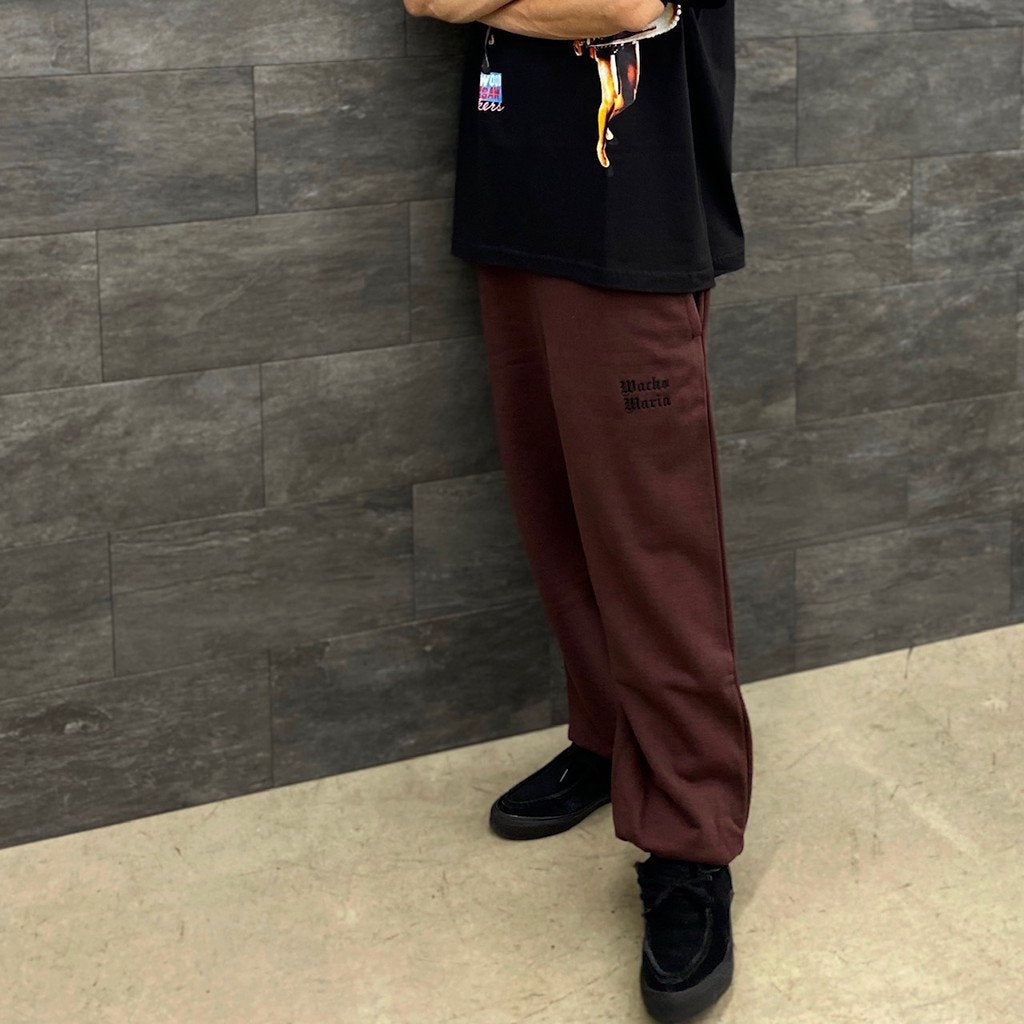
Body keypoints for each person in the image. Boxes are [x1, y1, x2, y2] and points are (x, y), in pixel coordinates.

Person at [404, 1, 753, 1019]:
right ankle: (607, 739)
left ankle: (690, 839)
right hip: (515, 199)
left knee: (653, 542)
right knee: (553, 510)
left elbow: (625, 4)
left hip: (635, 214)